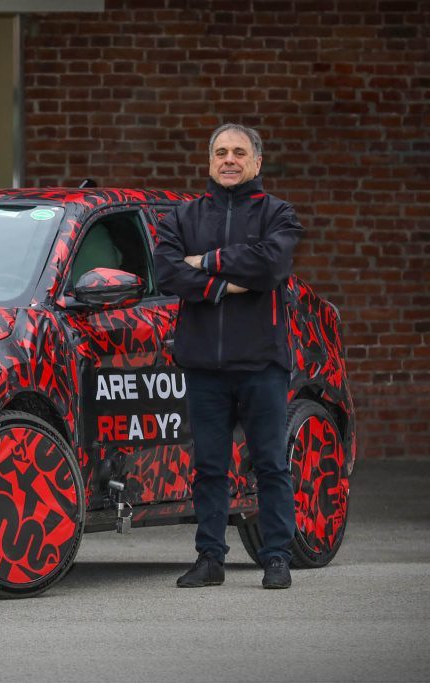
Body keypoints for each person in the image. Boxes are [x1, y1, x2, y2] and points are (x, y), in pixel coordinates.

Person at [153, 123, 302, 590]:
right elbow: (166, 272)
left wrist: (206, 261)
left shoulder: (280, 214)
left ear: (257, 162)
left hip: (262, 364)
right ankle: (209, 558)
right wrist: (225, 285)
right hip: (204, 367)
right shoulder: (183, 218)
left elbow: (271, 265)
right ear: (210, 162)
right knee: (210, 468)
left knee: (271, 464)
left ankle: (276, 556)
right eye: (221, 152)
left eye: (239, 152)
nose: (230, 160)